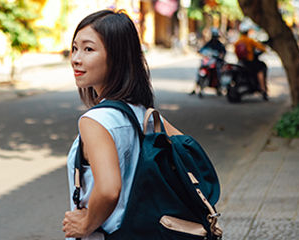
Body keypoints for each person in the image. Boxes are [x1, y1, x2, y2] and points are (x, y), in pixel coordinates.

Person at [62, 10, 182, 239]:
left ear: (116, 57)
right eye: (75, 47)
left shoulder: (95, 121)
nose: (76, 58)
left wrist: (86, 224)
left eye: (89, 49)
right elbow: (188, 152)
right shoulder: (145, 114)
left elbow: (108, 189)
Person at [234, 24, 268, 100]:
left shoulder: (237, 41)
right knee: (260, 71)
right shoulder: (249, 41)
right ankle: (263, 89)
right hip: (250, 62)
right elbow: (262, 48)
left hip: (241, 62)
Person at [190, 28, 227, 96]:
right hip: (209, 61)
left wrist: (221, 56)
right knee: (200, 70)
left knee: (219, 71)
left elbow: (223, 53)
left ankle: (220, 86)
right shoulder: (209, 44)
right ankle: (196, 87)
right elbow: (202, 50)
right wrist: (200, 52)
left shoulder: (220, 45)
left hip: (216, 61)